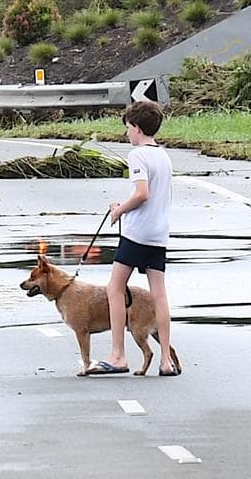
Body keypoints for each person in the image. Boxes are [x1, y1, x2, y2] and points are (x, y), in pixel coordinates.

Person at [88, 100, 177, 376]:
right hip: (159, 233)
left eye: (128, 127)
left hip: (137, 232)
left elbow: (141, 194)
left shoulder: (137, 155)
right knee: (159, 294)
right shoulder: (163, 155)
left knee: (114, 288)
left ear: (137, 128)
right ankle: (166, 360)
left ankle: (117, 355)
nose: (127, 133)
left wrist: (119, 210)